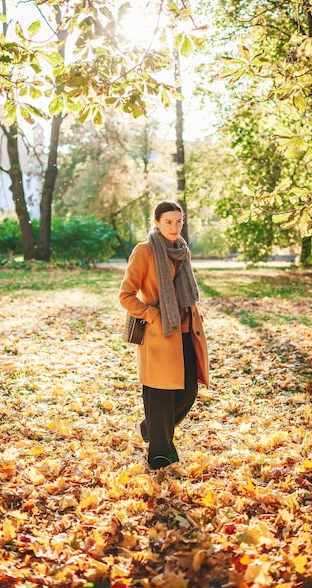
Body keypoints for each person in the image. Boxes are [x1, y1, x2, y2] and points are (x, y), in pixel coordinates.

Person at [119, 200, 209, 470]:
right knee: (160, 397)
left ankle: (151, 428)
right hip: (160, 335)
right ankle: (160, 457)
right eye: (168, 221)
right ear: (156, 223)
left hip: (185, 331)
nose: (174, 226)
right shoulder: (145, 251)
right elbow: (126, 295)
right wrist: (154, 316)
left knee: (189, 391)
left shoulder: (182, 250)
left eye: (178, 221)